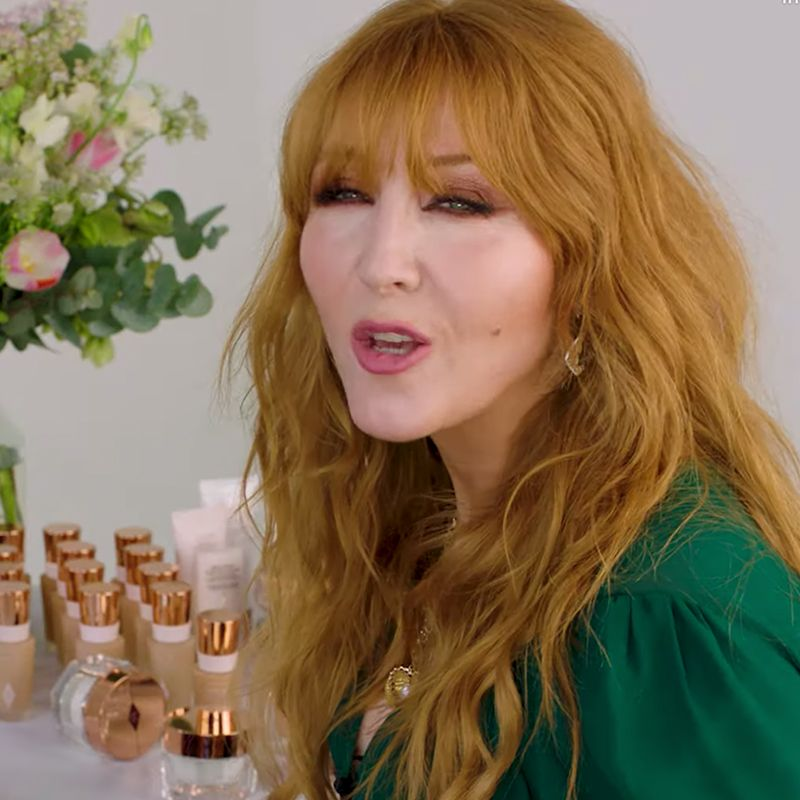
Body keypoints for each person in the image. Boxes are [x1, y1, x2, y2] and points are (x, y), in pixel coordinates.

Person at [220, 0, 800, 798]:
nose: (382, 262)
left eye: (460, 202)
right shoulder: (410, 528)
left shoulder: (658, 621)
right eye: (344, 193)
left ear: (591, 262)